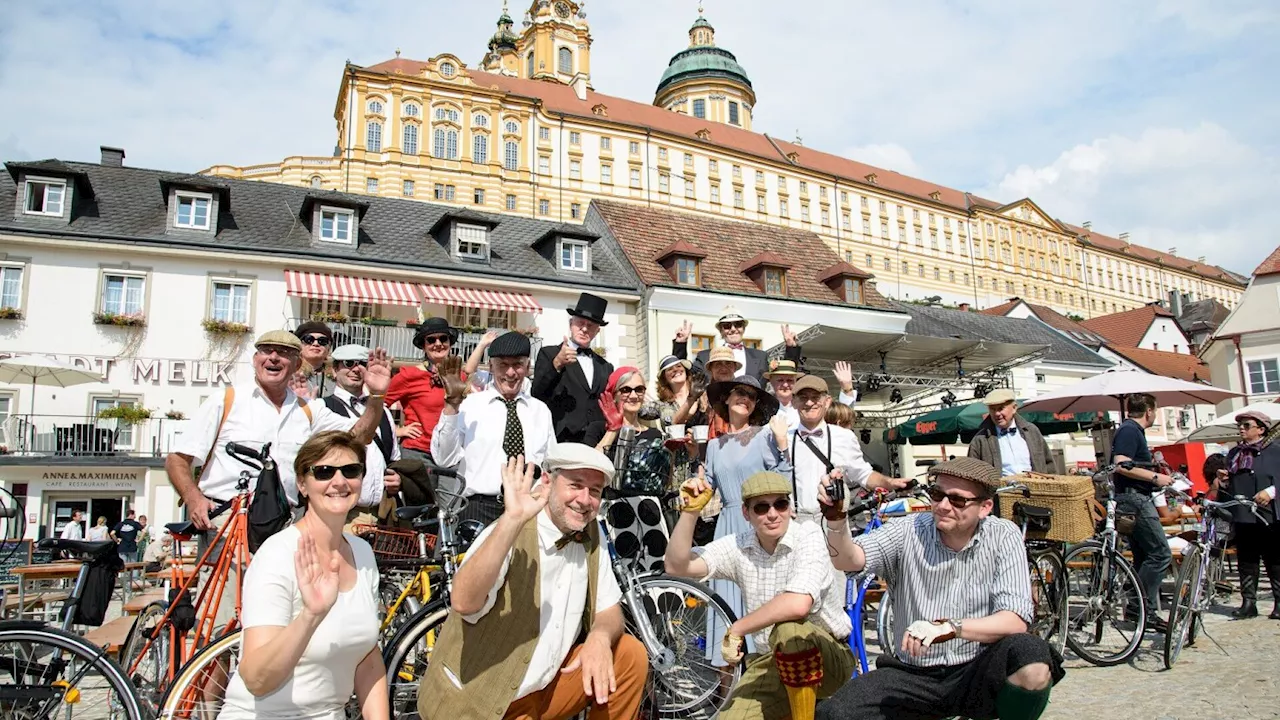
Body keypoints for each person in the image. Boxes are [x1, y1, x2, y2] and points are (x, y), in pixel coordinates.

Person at [818, 457, 1063, 720]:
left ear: (985, 507)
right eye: (937, 494)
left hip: (976, 667)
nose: (943, 506)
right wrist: (836, 520)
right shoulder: (908, 529)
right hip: (912, 672)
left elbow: (1014, 621)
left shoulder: (1004, 534)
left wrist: (951, 627)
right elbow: (848, 560)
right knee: (836, 713)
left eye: (957, 500)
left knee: (1032, 656)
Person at [415, 446, 648, 720]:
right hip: (486, 702)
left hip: (544, 692)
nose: (584, 500)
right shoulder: (512, 530)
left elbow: (609, 611)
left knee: (629, 655)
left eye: (594, 491)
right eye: (575, 485)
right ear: (547, 482)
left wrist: (599, 636)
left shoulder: (590, 532)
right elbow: (464, 602)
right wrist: (511, 520)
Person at [216, 431, 387, 720]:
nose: (339, 481)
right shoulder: (278, 555)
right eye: (323, 472)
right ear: (302, 484)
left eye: (351, 470)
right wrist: (310, 616)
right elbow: (257, 680)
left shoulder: (362, 553)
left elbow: (367, 660)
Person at [666, 471, 854, 720]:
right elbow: (677, 566)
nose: (773, 514)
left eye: (780, 504)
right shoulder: (738, 545)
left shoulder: (807, 534)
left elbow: (798, 604)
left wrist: (738, 628)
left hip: (829, 658)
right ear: (746, 513)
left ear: (790, 507)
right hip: (771, 662)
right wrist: (689, 513)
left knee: (790, 630)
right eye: (762, 507)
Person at [167, 331, 393, 530]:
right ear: (256, 360)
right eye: (266, 351)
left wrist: (376, 396)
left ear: (296, 365)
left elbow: (360, 437)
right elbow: (177, 459)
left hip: (287, 523)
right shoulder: (225, 401)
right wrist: (193, 498)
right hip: (228, 520)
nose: (273, 357)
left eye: (284, 352)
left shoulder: (308, 411)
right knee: (230, 581)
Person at [703, 375, 790, 661]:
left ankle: (763, 675)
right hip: (726, 529)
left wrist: (782, 445)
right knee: (725, 601)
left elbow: (782, 482)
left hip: (758, 526)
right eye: (739, 392)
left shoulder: (765, 435)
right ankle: (726, 682)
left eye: (751, 396)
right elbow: (706, 488)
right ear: (726, 399)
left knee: (760, 599)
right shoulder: (714, 446)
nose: (745, 399)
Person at [433, 331, 557, 525]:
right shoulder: (469, 406)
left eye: (517, 364)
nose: (510, 373)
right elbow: (444, 458)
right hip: (480, 508)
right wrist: (451, 406)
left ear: (527, 366)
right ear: (490, 366)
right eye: (503, 365)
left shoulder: (540, 411)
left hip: (529, 509)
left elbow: (551, 464)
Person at [787, 375, 907, 525]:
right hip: (794, 521)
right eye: (803, 397)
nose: (810, 402)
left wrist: (889, 482)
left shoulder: (844, 437)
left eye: (815, 397)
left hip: (833, 519)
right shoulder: (783, 437)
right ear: (794, 402)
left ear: (827, 401)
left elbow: (863, 474)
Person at [385, 318, 494, 463]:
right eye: (431, 340)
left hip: (451, 452)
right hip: (418, 452)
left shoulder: (458, 377)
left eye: (443, 339)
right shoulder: (408, 375)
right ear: (424, 346)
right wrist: (397, 431)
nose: (438, 344)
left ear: (449, 343)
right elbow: (378, 404)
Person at [1109, 392, 1175, 632]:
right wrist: (1157, 477)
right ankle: (1141, 608)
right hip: (1134, 499)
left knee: (1144, 557)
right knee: (1160, 554)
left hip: (1133, 498)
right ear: (1149, 411)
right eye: (1155, 411)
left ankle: (1137, 610)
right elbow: (1121, 463)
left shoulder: (1132, 431)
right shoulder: (1129, 430)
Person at [328, 344, 403, 519]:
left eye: (362, 363)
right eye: (348, 363)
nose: (356, 369)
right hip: (341, 513)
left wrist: (396, 481)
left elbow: (394, 458)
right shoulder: (322, 407)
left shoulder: (383, 411)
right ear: (334, 370)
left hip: (381, 513)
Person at [1219, 410, 1280, 619]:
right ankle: (1249, 603)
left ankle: (1279, 602)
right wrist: (1225, 478)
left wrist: (1271, 492)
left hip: (1269, 513)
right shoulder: (1235, 453)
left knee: (1275, 558)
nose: (1242, 429)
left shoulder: (1276, 450)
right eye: (1240, 426)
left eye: (1247, 425)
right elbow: (1232, 482)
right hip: (1243, 513)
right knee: (1246, 560)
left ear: (1261, 429)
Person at [532, 292, 615, 446]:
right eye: (580, 323)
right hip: (561, 440)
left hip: (596, 444)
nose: (584, 329)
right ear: (571, 324)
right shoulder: (549, 354)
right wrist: (557, 364)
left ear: (597, 331)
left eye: (590, 326)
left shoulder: (605, 367)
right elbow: (537, 393)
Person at [595, 367, 670, 497]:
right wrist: (613, 430)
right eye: (626, 390)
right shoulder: (598, 429)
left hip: (648, 509)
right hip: (611, 509)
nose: (634, 396)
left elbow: (663, 482)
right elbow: (591, 465)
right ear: (613, 395)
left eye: (639, 389)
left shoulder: (655, 434)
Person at [671, 311, 801, 384]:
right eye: (727, 326)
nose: (733, 329)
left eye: (738, 325)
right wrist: (680, 343)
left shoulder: (760, 356)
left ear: (743, 328)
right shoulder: (705, 356)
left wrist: (791, 347)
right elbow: (680, 370)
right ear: (721, 331)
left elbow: (786, 373)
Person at [967, 389, 1057, 476]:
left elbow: (1049, 465)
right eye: (992, 409)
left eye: (1001, 408)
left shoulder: (1032, 431)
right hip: (1001, 490)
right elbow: (973, 474)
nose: (997, 414)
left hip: (1035, 489)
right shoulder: (980, 439)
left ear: (1014, 408)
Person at [293, 320, 335, 398]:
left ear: (329, 348)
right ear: (299, 345)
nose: (316, 344)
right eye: (309, 340)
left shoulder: (337, 376)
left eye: (322, 341)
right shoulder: (290, 374)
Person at [766, 360, 801, 431]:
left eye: (790, 380)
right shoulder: (763, 407)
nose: (785, 385)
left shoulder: (803, 407)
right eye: (780, 380)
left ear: (796, 381)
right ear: (771, 381)